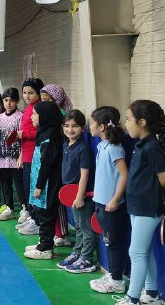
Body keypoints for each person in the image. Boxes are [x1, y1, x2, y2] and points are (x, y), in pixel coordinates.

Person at [116, 100, 165, 305]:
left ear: (142, 122)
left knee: (136, 252)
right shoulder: (142, 144)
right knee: (144, 251)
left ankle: (132, 298)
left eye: (129, 119)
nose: (126, 124)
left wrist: (150, 190)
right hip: (138, 206)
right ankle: (151, 294)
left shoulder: (152, 147)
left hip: (148, 208)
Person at [88, 106, 129, 294]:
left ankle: (117, 280)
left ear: (102, 127)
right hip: (101, 202)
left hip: (111, 205)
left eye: (92, 123)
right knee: (108, 241)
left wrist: (115, 199)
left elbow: (124, 175)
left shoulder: (114, 149)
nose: (90, 126)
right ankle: (114, 274)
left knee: (113, 242)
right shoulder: (102, 145)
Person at [24, 101, 65, 260]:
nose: (32, 117)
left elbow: (47, 165)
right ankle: (44, 242)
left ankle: (45, 248)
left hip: (47, 184)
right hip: (40, 181)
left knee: (46, 214)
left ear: (45, 117)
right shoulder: (44, 133)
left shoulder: (50, 138)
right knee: (41, 213)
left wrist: (39, 186)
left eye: (35, 114)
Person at [57, 110, 96, 273]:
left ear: (83, 128)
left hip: (82, 196)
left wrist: (80, 197)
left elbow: (84, 174)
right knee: (78, 225)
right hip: (71, 195)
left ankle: (87, 258)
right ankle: (78, 252)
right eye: (66, 126)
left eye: (75, 126)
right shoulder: (66, 144)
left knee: (86, 227)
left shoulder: (83, 148)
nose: (70, 130)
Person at [41, 82, 73, 247]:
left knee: (58, 199)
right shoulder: (48, 114)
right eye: (43, 99)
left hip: (60, 160)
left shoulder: (63, 116)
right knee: (51, 199)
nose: (45, 103)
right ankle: (55, 232)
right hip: (52, 158)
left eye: (49, 99)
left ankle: (61, 233)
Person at [0, 88, 24, 221]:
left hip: (16, 157)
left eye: (11, 100)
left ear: (16, 101)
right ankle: (9, 208)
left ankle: (24, 209)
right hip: (2, 158)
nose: (8, 103)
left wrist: (21, 157)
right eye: (6, 100)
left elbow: (23, 139)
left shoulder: (20, 117)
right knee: (5, 184)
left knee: (19, 183)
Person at [18, 78, 44, 230]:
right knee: (28, 186)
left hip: (35, 154)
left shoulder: (39, 108)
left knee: (34, 187)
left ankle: (37, 221)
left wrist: (25, 134)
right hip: (26, 153)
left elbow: (39, 131)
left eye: (31, 93)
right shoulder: (28, 108)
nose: (27, 96)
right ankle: (32, 216)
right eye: (25, 93)